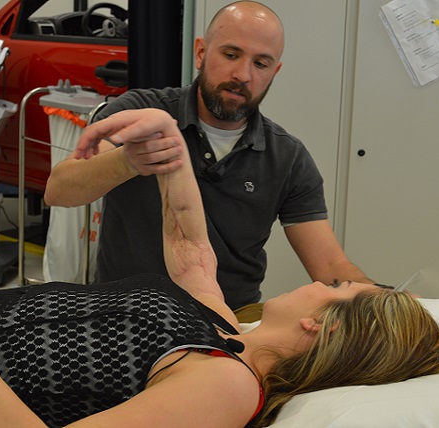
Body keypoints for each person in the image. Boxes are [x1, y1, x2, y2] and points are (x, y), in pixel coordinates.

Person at [0, 110, 439, 428]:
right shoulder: (225, 332)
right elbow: (190, 248)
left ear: (322, 327)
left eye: (335, 289)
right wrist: (169, 151)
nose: (320, 279)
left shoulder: (231, 387)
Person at [44, 1, 373, 312]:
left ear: (275, 71)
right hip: (125, 311)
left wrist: (387, 301)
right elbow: (59, 190)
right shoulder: (141, 113)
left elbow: (330, 265)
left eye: (261, 63)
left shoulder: (288, 158)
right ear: (200, 52)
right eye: (231, 54)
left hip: (231, 317)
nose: (243, 74)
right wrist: (127, 162)